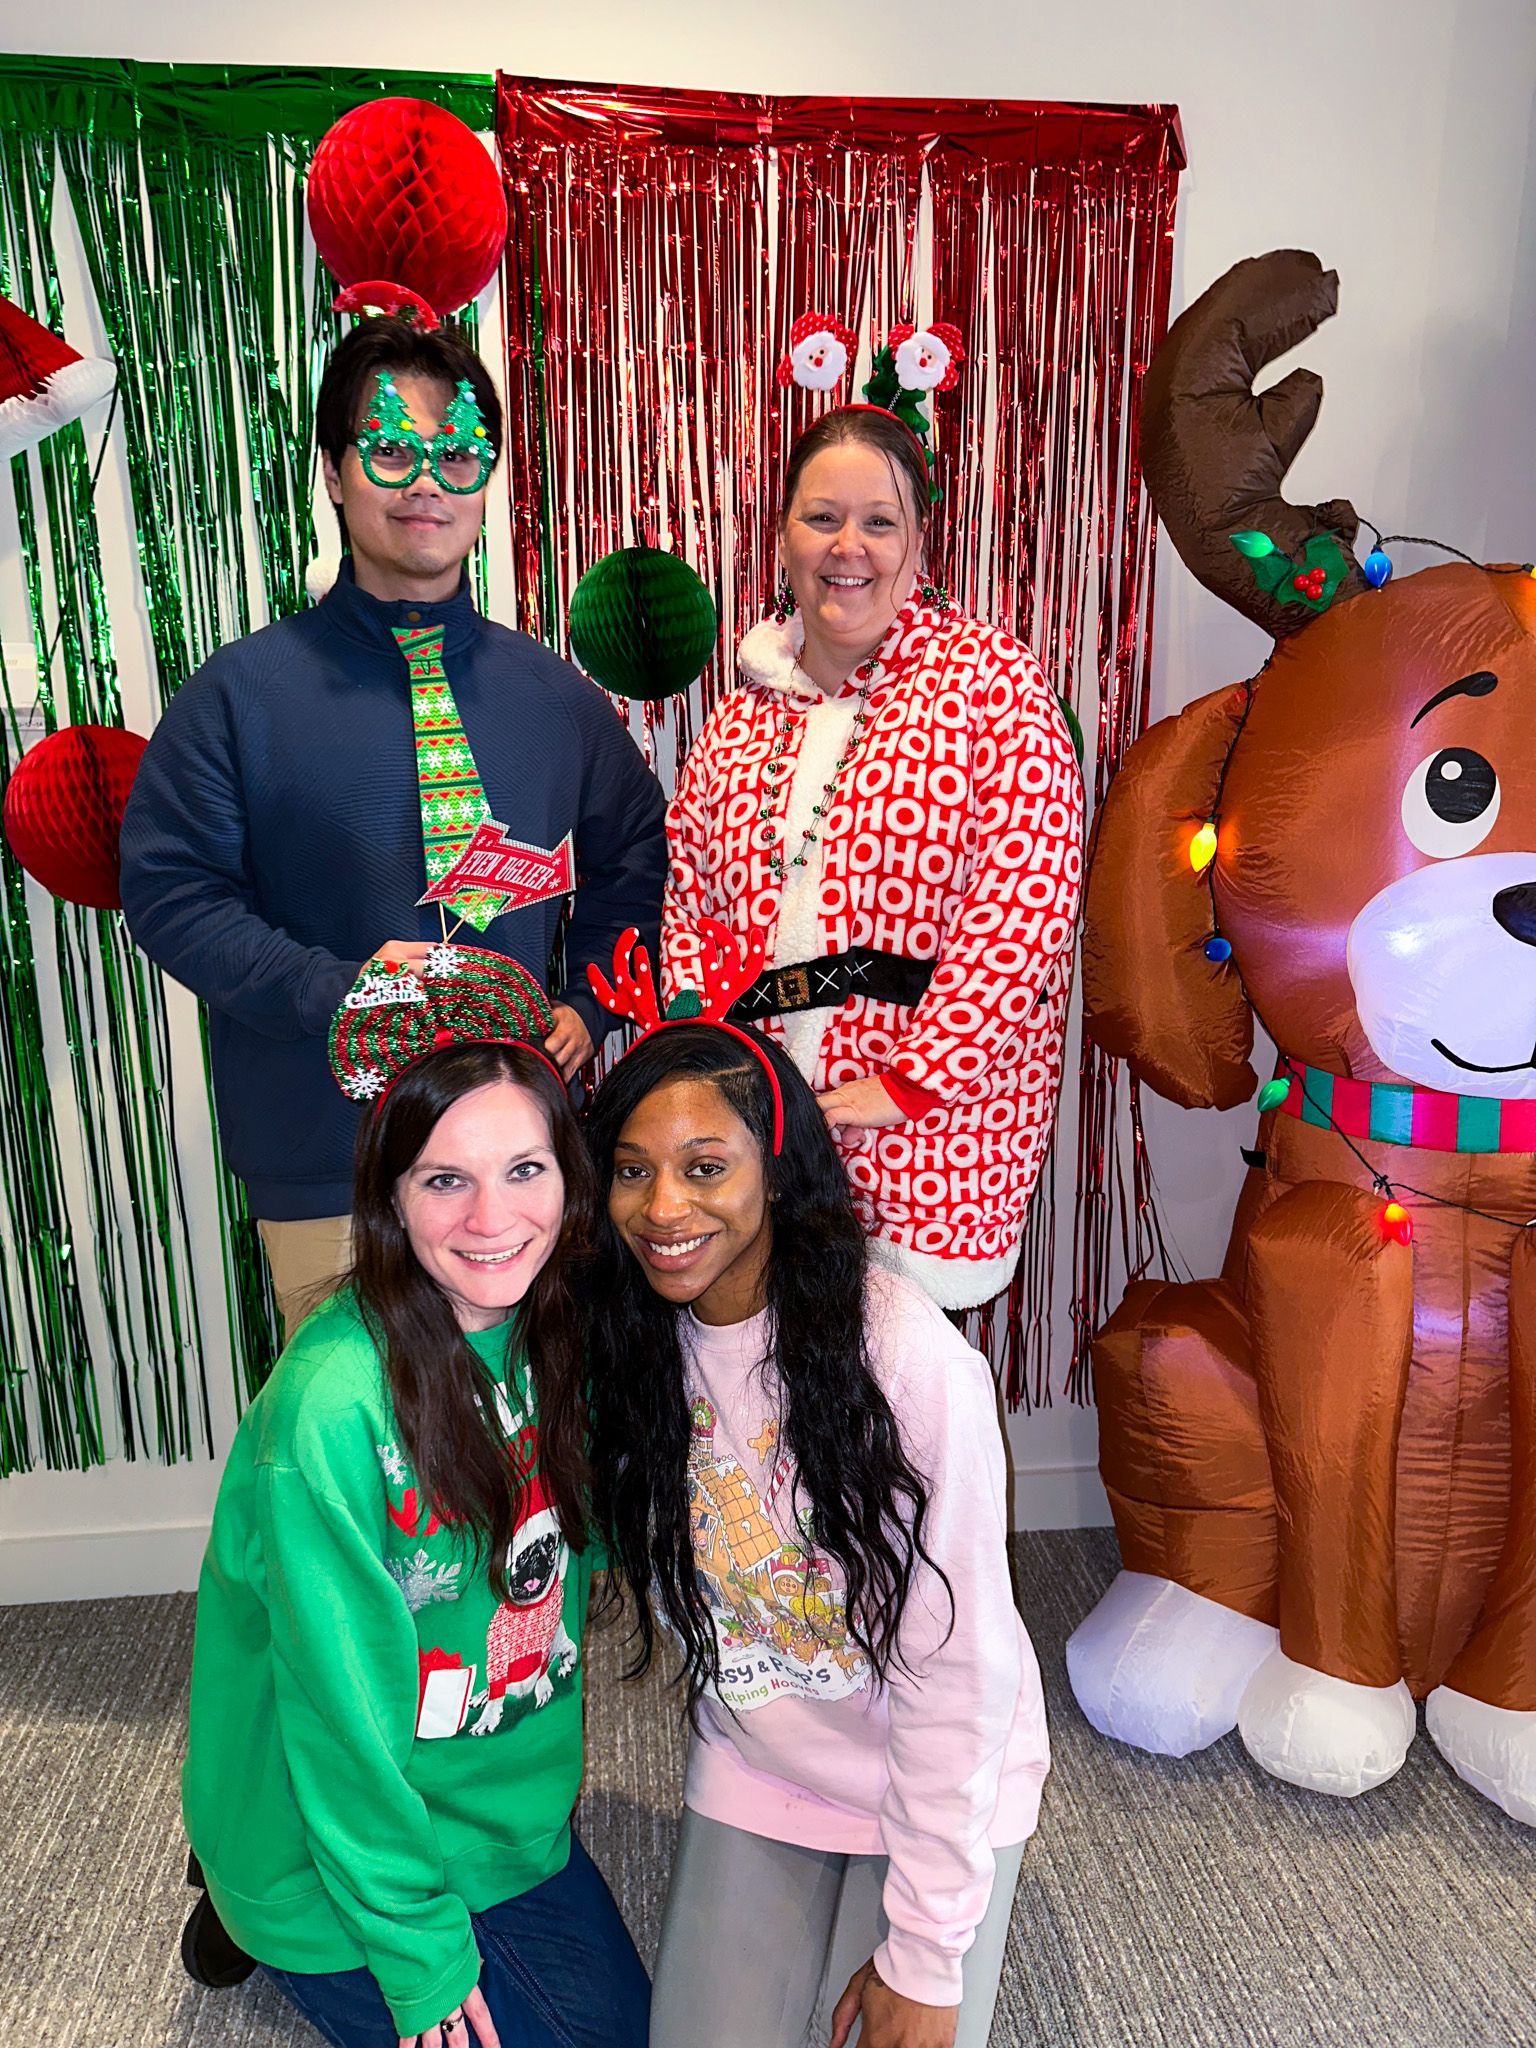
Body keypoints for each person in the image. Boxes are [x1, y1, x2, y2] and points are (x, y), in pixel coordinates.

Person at [120, 315, 667, 1334]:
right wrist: (338, 992)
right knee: (355, 1455)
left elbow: (635, 859)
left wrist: (591, 1000)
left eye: (458, 454)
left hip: (520, 1172)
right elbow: (170, 889)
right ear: (334, 472)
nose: (428, 481)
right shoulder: (240, 696)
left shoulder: (556, 700)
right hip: (327, 1157)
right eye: (391, 450)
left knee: (527, 1453)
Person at [181, 1003, 650, 2048]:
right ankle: (243, 1884)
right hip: (325, 1831)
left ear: (569, 1177)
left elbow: (596, 1524)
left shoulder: (561, 1322)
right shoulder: (330, 1413)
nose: (493, 1217)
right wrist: (418, 1953)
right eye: (446, 1179)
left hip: (498, 1807)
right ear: (390, 1198)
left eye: (524, 1168)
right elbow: (340, 1724)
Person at [584, 1017, 1048, 2048]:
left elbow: (960, 1669)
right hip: (762, 1760)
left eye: (706, 1165)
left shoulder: (910, 1361)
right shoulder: (624, 1341)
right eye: (631, 1170)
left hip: (933, 1763)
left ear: (778, 1173)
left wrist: (926, 1955)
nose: (663, 1207)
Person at [662, 404, 1082, 1311]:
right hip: (762, 1129)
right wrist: (708, 1060)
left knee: (906, 1420)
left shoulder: (990, 687)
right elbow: (689, 906)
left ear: (919, 545)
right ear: (783, 539)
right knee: (771, 1403)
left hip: (934, 1135)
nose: (848, 545)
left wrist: (910, 1082)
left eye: (879, 521)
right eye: (822, 517)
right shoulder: (740, 722)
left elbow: (1024, 911)